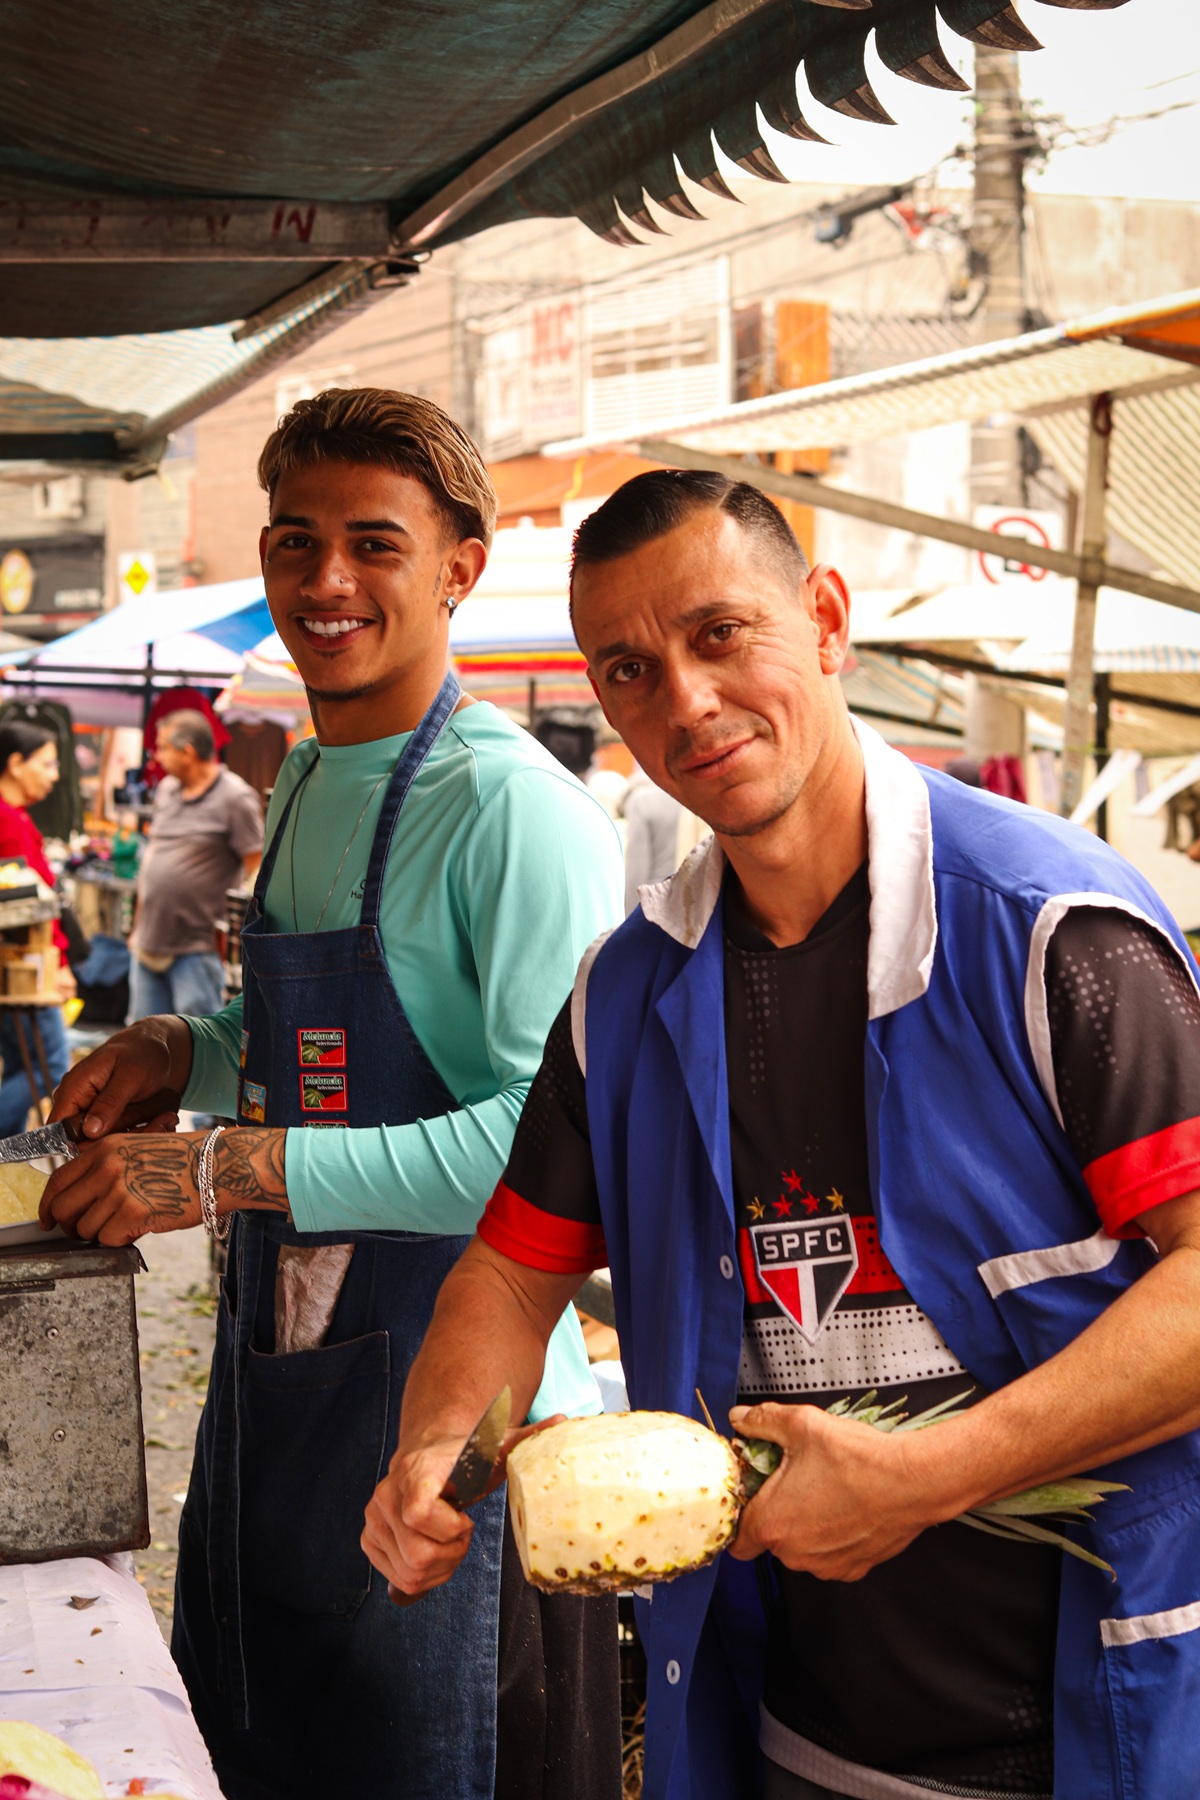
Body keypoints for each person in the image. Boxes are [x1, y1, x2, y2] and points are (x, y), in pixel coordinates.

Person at [360, 468, 1200, 1800]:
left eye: (718, 635)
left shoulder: (1051, 934)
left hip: (1097, 1732)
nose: (683, 702)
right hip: (786, 1737)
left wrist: (929, 1476)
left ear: (825, 618)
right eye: (629, 670)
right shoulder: (627, 999)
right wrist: (438, 1449)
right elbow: (513, 1272)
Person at [39, 388, 625, 1800]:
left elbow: (551, 1154)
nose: (327, 583)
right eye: (297, 543)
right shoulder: (305, 778)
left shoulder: (510, 812)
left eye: (375, 543)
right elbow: (314, 1048)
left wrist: (228, 1170)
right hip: (285, 1396)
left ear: (460, 566)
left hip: (464, 1452)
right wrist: (186, 1055)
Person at [128, 709, 264, 1022]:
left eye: (161, 748)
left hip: (197, 948)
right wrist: (135, 929)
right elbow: (152, 861)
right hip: (148, 942)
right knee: (143, 1044)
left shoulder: (235, 797)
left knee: (196, 1043)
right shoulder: (166, 790)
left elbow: (255, 872)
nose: (156, 758)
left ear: (187, 752)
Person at [0, 720, 76, 1134]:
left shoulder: (15, 817)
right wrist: (58, 963)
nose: (55, 775)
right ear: (15, 763)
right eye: (46, 764)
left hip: (18, 970)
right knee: (49, 1066)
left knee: (23, 1062)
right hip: (25, 970)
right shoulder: (7, 821)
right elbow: (28, 909)